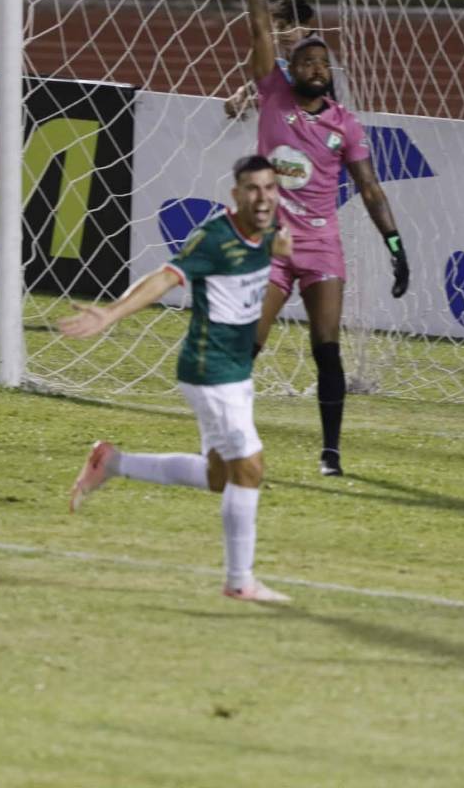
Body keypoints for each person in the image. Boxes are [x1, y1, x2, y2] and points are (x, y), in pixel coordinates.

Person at [59, 155, 293, 603]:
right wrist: (110, 313)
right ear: (235, 195)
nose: (262, 197)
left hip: (236, 370)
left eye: (269, 188)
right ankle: (239, 580)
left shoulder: (268, 227)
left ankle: (112, 462)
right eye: (252, 189)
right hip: (210, 371)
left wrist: (279, 250)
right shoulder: (212, 238)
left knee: (220, 478)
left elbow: (269, 245)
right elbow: (164, 278)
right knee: (250, 466)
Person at [243, 0, 410, 477]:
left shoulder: (346, 126)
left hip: (321, 246)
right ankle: (227, 435)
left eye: (322, 62)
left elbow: (371, 189)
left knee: (327, 346)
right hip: (272, 244)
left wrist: (396, 246)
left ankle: (331, 454)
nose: (316, 67)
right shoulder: (272, 92)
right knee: (250, 342)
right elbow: (258, 29)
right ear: (290, 68)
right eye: (306, 61)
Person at [224, 0, 320, 119]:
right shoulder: (275, 49)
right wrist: (241, 93)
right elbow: (263, 81)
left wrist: (257, 101)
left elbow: (311, 101)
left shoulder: (316, 55)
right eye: (281, 26)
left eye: (294, 27)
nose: (286, 33)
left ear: (307, 28)